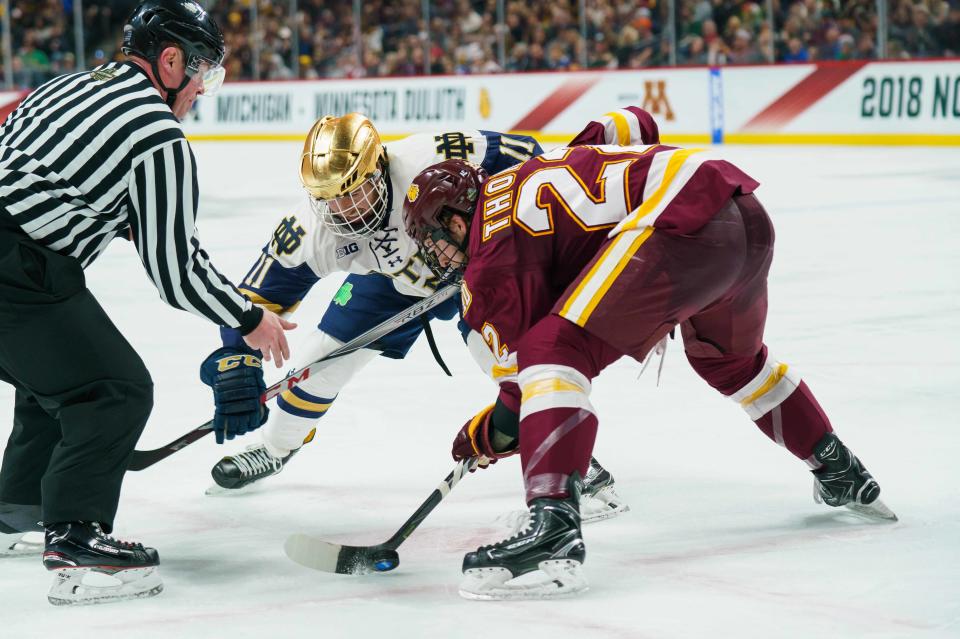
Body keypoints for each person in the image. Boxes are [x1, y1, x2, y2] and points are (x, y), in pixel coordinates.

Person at [403, 144, 897, 600]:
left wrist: (486, 434)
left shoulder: (490, 254)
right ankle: (837, 467)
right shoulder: (517, 185)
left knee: (553, 348)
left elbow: (521, 389)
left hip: (682, 228)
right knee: (730, 362)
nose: (432, 256)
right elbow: (633, 121)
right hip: (743, 212)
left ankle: (553, 526)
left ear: (453, 216)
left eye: (431, 238)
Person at [206, 108, 660, 523]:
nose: (340, 212)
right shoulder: (312, 228)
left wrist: (526, 244)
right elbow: (252, 300)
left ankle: (573, 466)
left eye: (352, 194)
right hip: (392, 283)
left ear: (379, 169)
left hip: (477, 262)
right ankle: (276, 447)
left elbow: (534, 161)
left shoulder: (433, 154)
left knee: (517, 369)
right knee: (320, 363)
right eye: (328, 200)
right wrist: (236, 360)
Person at [0, 0, 292, 605]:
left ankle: (16, 511)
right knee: (111, 389)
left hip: (16, 260)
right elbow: (175, 272)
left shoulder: (67, 87)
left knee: (55, 376)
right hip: (18, 271)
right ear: (170, 59)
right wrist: (249, 318)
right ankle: (77, 543)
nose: (201, 92)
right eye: (203, 72)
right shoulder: (157, 133)